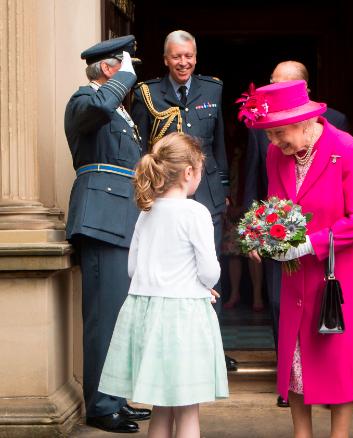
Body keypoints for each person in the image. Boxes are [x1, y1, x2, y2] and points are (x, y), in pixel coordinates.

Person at [241, 80, 353, 438]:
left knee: (336, 354)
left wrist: (311, 244)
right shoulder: (277, 154)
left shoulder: (348, 149)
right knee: (295, 356)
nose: (274, 143)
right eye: (269, 135)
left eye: (279, 133)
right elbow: (276, 207)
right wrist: (265, 236)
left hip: (340, 271)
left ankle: (339, 435)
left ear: (304, 122)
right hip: (296, 272)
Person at [98, 132, 229, 438]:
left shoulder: (147, 211)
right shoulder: (196, 212)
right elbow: (209, 271)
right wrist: (202, 285)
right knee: (186, 409)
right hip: (184, 316)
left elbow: (133, 267)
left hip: (146, 313)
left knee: (161, 407)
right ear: (188, 173)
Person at [242, 60, 350, 408]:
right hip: (281, 238)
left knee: (323, 320)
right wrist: (256, 231)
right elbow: (259, 181)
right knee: (280, 307)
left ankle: (325, 387)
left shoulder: (340, 136)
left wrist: (310, 242)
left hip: (322, 247)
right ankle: (289, 379)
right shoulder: (272, 144)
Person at [131, 29, 236, 371]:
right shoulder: (148, 93)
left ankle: (211, 351)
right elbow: (141, 147)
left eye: (189, 56)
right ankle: (172, 352)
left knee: (210, 271)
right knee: (173, 268)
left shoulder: (213, 88)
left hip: (206, 190)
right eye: (177, 56)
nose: (184, 62)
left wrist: (223, 187)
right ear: (166, 60)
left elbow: (219, 142)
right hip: (166, 191)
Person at [64, 35, 151, 433]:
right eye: (126, 66)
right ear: (109, 69)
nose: (132, 75)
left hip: (122, 220)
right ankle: (100, 405)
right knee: (103, 317)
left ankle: (115, 396)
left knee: (121, 317)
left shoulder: (118, 109)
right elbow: (97, 108)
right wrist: (124, 79)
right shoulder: (85, 100)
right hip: (100, 220)